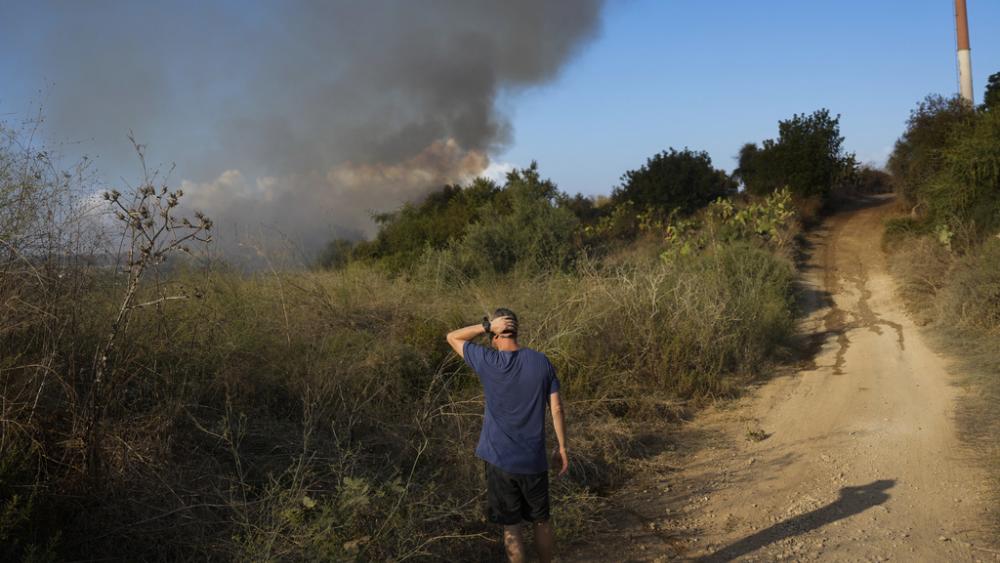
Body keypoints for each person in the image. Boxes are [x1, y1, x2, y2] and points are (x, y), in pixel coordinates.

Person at [446, 308, 568, 563]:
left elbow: (452, 337)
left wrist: (486, 326)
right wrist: (562, 447)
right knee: (542, 522)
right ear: (517, 331)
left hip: (500, 460)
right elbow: (556, 407)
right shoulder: (541, 361)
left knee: (512, 527)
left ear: (496, 335)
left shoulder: (488, 360)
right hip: (533, 461)